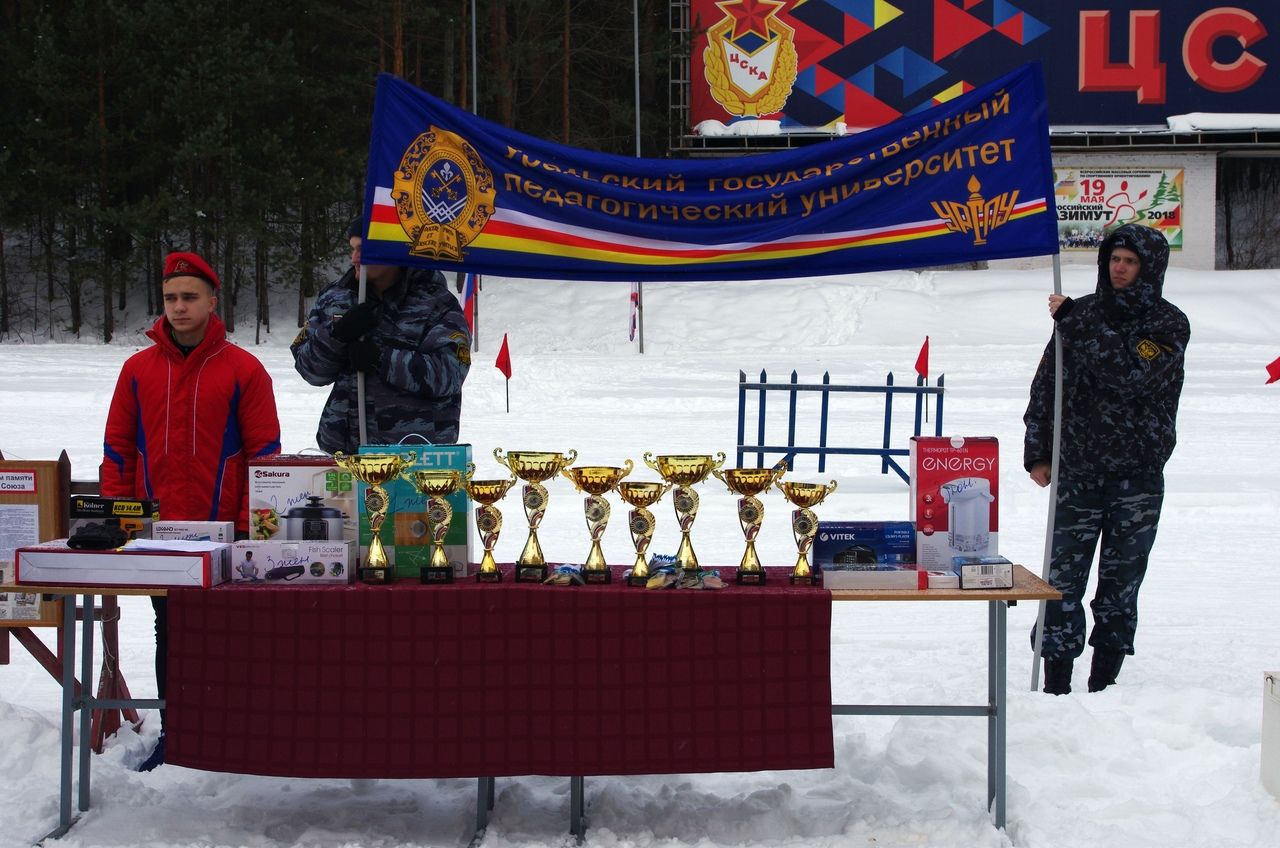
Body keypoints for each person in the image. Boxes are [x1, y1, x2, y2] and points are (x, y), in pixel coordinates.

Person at [100, 251, 282, 769]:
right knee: (170, 630)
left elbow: (264, 454)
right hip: (158, 533)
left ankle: (236, 730)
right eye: (171, 298)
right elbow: (117, 448)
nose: (179, 308)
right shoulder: (137, 369)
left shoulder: (244, 369)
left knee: (231, 633)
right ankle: (176, 732)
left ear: (211, 301)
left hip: (224, 532)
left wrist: (251, 528)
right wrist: (119, 521)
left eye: (189, 297)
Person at [1024, 223, 1190, 696]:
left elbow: (1130, 375)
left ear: (1150, 268)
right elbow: (1045, 389)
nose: (1120, 268)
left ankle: (1104, 687)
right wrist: (1038, 452)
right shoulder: (1081, 315)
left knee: (1120, 586)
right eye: (1114, 259)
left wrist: (1077, 322)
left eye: (1130, 261)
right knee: (1060, 583)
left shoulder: (1167, 324)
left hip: (1136, 478)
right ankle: (1056, 685)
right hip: (1077, 472)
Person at [291, 218, 471, 452]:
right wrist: (337, 336)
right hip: (345, 452)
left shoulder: (436, 304)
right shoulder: (335, 298)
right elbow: (309, 370)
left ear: (391, 251)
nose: (354, 259)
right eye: (352, 249)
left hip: (412, 456)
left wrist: (381, 359)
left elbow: (449, 374)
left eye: (363, 250)